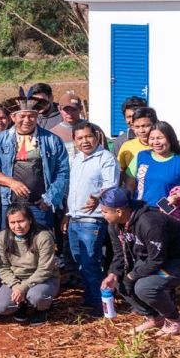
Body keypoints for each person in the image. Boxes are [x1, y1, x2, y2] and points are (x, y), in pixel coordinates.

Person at [100, 188, 180, 336]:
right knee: (119, 282)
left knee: (145, 287)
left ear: (119, 211)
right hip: (154, 259)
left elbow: (157, 259)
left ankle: (176, 320)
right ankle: (155, 318)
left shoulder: (150, 222)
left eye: (105, 212)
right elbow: (120, 254)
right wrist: (113, 273)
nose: (102, 215)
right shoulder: (114, 226)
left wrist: (132, 276)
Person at [0, 88, 70, 231]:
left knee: (40, 245)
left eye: (31, 116)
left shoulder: (52, 140)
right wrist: (11, 183)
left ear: (37, 117)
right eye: (22, 116)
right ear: (13, 117)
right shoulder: (1, 139)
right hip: (11, 204)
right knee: (13, 248)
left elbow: (63, 173)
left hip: (40, 204)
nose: (26, 120)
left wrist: (50, 197)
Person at [65, 121, 119, 314]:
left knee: (90, 262)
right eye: (80, 138)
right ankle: (90, 297)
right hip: (74, 218)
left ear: (96, 137)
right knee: (80, 260)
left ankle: (100, 303)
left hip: (92, 219)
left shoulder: (105, 158)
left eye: (88, 136)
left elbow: (111, 185)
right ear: (74, 141)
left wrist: (97, 197)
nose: (85, 141)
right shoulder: (77, 159)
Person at [0, 205, 60, 325]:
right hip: (16, 279)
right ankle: (22, 304)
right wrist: (15, 286)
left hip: (43, 279)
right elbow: (2, 266)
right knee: (1, 307)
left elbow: (45, 269)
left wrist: (23, 288)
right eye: (12, 222)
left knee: (37, 296)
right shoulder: (2, 237)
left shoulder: (43, 236)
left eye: (21, 221)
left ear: (30, 219)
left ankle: (41, 308)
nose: (17, 226)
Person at [126, 121, 180, 209]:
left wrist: (176, 197)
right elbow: (130, 183)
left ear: (170, 139)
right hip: (140, 209)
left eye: (160, 138)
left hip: (168, 211)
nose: (156, 142)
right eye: (152, 138)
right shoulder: (141, 156)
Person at [117, 107, 157, 177]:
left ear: (155, 124)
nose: (141, 131)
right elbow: (120, 171)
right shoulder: (127, 146)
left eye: (145, 126)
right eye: (137, 127)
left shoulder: (162, 146)